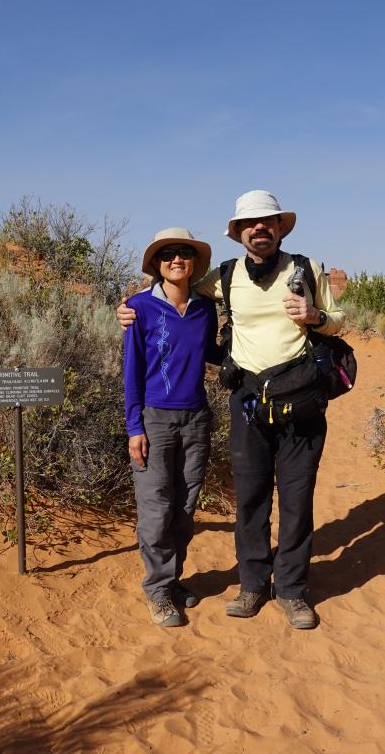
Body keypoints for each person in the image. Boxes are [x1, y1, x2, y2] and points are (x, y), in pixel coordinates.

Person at [118, 191, 344, 629]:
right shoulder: (218, 279)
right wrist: (126, 310)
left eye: (268, 222)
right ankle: (248, 585)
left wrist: (315, 315)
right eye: (250, 224)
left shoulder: (303, 271)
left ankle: (293, 591)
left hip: (294, 400)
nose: (260, 229)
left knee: (291, 500)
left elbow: (338, 321)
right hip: (234, 406)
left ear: (279, 227)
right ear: (239, 233)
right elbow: (154, 321)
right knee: (244, 501)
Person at [124, 227, 220, 627]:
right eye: (167, 255)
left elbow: (213, 352)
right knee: (155, 508)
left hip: (196, 418)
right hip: (155, 419)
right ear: (156, 265)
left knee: (184, 507)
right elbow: (131, 370)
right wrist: (134, 427)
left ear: (194, 262)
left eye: (183, 253)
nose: (176, 260)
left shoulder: (204, 309)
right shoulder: (139, 307)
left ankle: (173, 578)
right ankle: (158, 590)